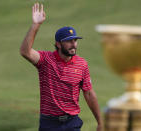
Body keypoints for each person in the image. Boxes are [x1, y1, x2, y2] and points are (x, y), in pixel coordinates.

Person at [20, 3, 103, 131]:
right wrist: (36, 25)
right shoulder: (45, 60)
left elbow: (89, 93)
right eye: (69, 41)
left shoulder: (82, 64)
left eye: (75, 40)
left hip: (72, 122)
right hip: (49, 123)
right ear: (58, 44)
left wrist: (100, 122)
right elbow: (25, 51)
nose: (73, 44)